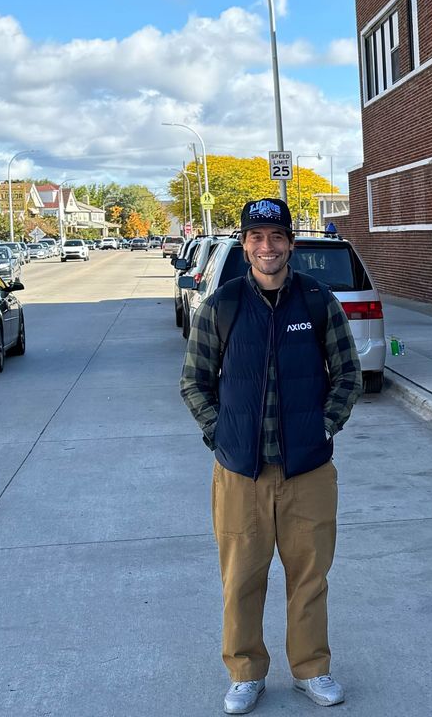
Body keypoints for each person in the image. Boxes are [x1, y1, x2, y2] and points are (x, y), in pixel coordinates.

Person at [181, 197, 364, 711]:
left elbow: (348, 375)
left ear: (290, 243)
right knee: (241, 578)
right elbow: (194, 382)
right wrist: (222, 435)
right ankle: (245, 672)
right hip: (241, 473)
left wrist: (324, 426)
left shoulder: (317, 301)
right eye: (257, 238)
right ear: (245, 245)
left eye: (276, 236)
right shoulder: (223, 305)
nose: (268, 247)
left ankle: (312, 669)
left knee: (309, 578)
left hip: (308, 471)